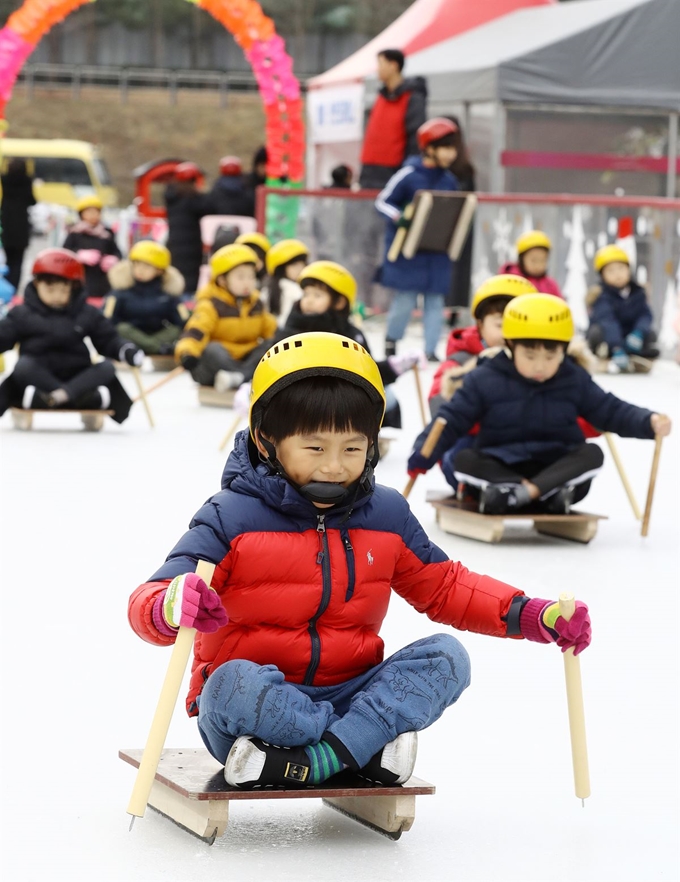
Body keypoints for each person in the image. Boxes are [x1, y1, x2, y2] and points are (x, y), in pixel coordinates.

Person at [127, 331, 593, 790]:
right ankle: (358, 747)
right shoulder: (230, 517)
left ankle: (316, 759)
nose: (334, 466)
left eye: (352, 448)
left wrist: (534, 615)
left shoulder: (386, 514)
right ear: (267, 439)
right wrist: (169, 606)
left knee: (447, 659)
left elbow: (446, 586)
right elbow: (149, 598)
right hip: (258, 706)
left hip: (351, 692)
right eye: (315, 448)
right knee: (230, 684)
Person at [408, 294, 671, 515]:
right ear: (510, 345)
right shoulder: (484, 378)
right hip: (501, 464)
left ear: (564, 350)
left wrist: (648, 422)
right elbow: (450, 419)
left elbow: (610, 410)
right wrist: (423, 453)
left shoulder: (573, 378)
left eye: (550, 356)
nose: (539, 366)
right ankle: (529, 493)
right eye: (530, 355)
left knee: (592, 453)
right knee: (464, 458)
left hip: (554, 466)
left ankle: (529, 493)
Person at [0, 248, 142, 423]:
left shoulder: (85, 312)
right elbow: (4, 334)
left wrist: (125, 350)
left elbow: (107, 339)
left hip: (78, 375)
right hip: (40, 376)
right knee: (23, 366)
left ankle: (55, 397)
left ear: (74, 288)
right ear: (37, 284)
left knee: (107, 367)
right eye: (50, 290)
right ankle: (80, 398)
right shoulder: (22, 313)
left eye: (63, 290)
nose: (57, 296)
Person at [280, 260, 424, 429]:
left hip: (342, 409)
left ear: (339, 302)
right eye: (306, 294)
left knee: (387, 395)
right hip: (299, 406)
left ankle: (364, 439)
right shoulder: (293, 329)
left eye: (317, 295)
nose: (309, 301)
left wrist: (394, 366)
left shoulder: (351, 335)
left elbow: (366, 372)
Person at [377, 118, 460, 362]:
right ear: (429, 148)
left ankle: (431, 349)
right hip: (409, 253)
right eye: (445, 146)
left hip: (437, 251)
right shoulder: (409, 175)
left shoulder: (449, 180)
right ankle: (392, 339)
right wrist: (398, 216)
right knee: (406, 298)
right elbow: (383, 201)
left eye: (452, 147)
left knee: (435, 301)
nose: (451, 153)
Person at [175, 243, 277, 391]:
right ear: (222, 280)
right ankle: (245, 377)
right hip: (216, 365)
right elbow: (196, 332)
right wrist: (186, 353)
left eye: (251, 276)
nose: (247, 282)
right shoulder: (211, 304)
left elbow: (271, 330)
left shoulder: (256, 304)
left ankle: (239, 377)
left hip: (244, 359)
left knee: (269, 347)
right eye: (240, 277)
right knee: (212, 349)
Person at [429, 274, 536, 414]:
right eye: (500, 325)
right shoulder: (460, 363)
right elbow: (439, 403)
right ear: (480, 325)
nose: (508, 335)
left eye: (519, 326)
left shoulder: (543, 364)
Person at [359, 49, 427, 190]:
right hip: (370, 170)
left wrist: (409, 170)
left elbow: (415, 137)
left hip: (393, 170)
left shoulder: (412, 97)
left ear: (393, 65)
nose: (377, 69)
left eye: (381, 64)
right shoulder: (381, 97)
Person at [107, 240, 187, 356]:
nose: (140, 270)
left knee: (175, 330)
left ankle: (152, 346)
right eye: (137, 264)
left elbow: (182, 321)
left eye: (147, 266)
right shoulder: (120, 292)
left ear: (159, 270)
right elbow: (107, 319)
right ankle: (156, 348)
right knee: (122, 328)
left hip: (158, 335)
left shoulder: (169, 294)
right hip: (130, 339)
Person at [586, 245, 659, 373]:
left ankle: (638, 356)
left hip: (631, 337)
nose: (617, 274)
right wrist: (616, 347)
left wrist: (638, 333)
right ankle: (608, 357)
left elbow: (645, 315)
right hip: (609, 339)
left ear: (628, 270)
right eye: (611, 271)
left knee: (651, 334)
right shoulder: (601, 296)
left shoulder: (638, 293)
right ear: (602, 275)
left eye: (621, 268)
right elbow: (608, 322)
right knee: (596, 333)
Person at [164, 162, 213, 295]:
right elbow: (209, 205)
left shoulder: (171, 197)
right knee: (190, 281)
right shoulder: (195, 199)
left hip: (174, 243)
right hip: (192, 245)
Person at [62, 195, 121, 302]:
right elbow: (63, 254)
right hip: (80, 282)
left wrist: (113, 259)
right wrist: (78, 255)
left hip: (103, 283)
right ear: (81, 214)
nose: (93, 215)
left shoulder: (107, 234)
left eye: (96, 212)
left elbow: (117, 252)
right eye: (89, 212)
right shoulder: (74, 233)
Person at [445, 116, 476, 314]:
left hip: (459, 228)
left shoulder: (464, 171)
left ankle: (454, 310)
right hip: (438, 229)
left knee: (457, 274)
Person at [0, 158, 36, 291]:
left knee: (8, 259)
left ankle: (7, 286)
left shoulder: (4, 179)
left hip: (7, 224)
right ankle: (14, 288)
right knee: (18, 261)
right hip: (21, 226)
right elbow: (32, 200)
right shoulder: (27, 180)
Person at [500, 231, 563, 299]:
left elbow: (560, 305)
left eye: (543, 260)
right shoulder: (512, 280)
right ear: (521, 260)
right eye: (533, 260)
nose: (538, 265)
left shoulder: (550, 285)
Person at [262, 238, 309, 325]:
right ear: (281, 268)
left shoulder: (267, 289)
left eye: (302, 264)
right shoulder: (295, 290)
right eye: (294, 265)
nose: (300, 269)